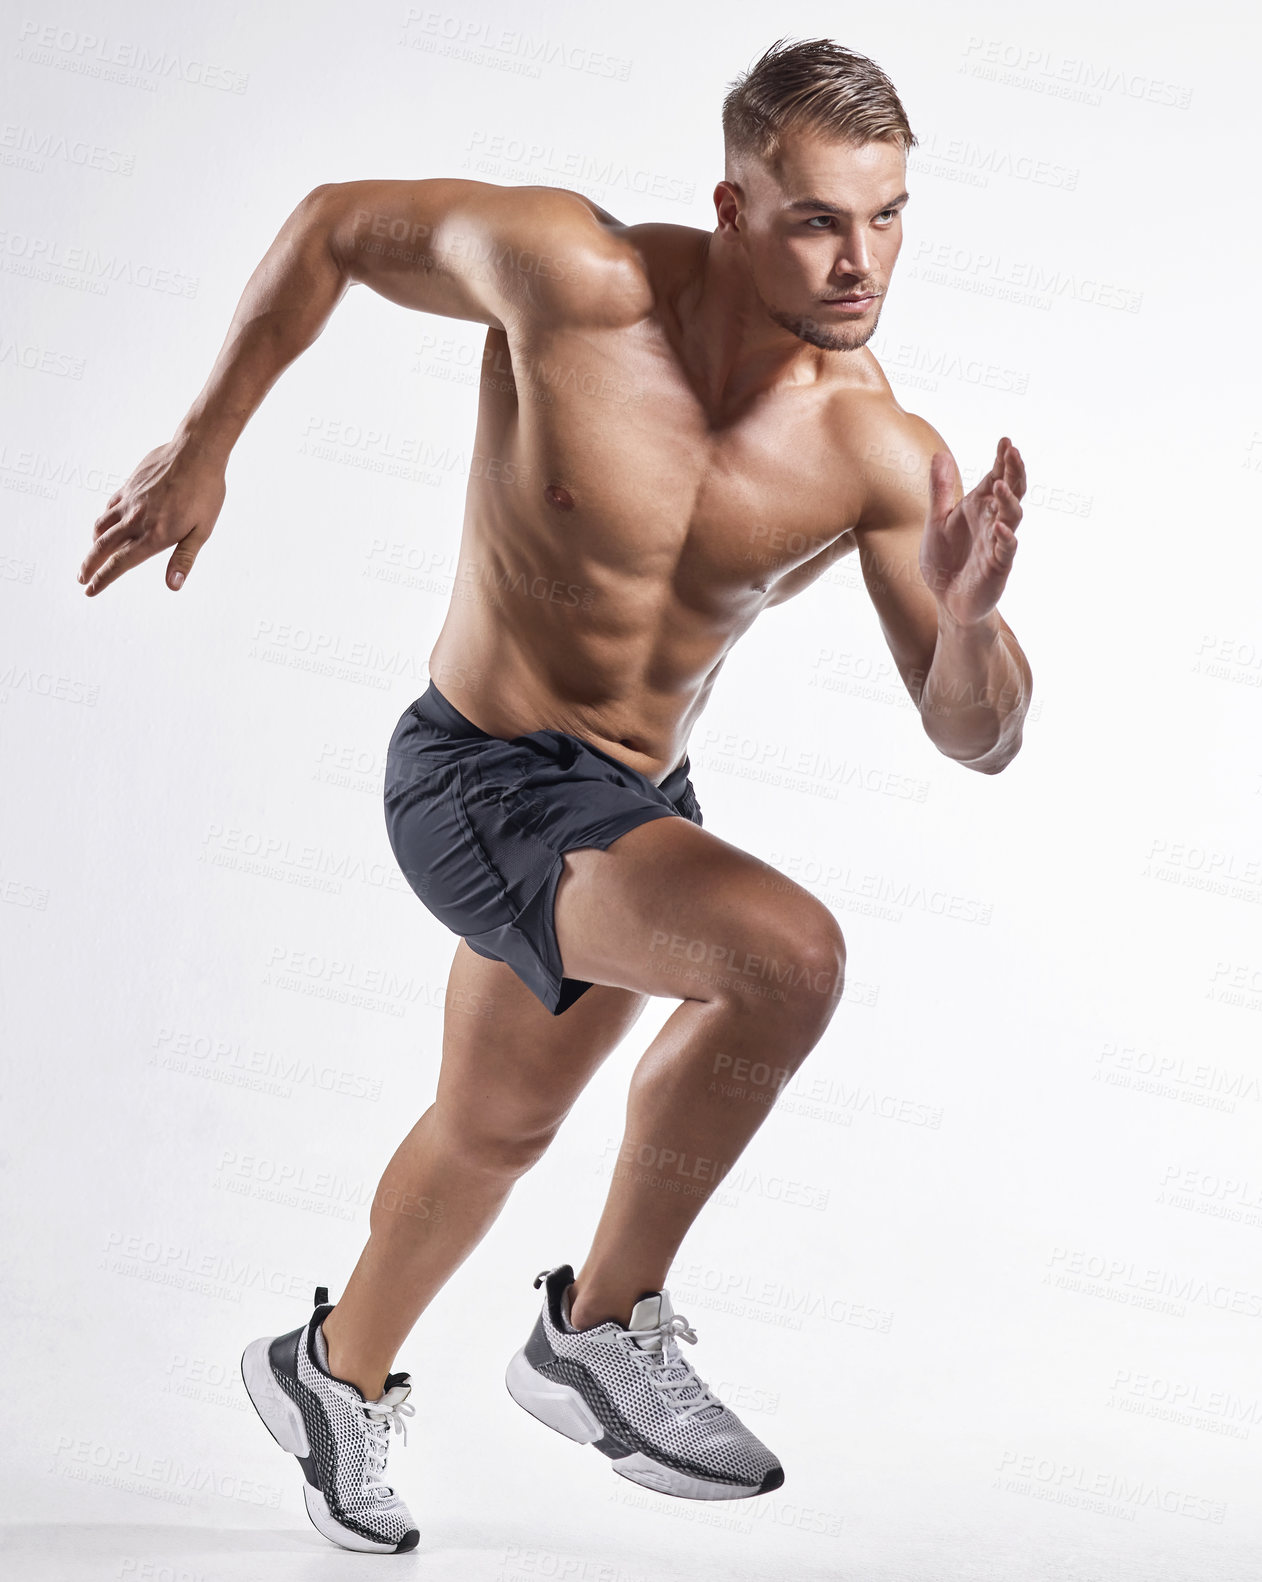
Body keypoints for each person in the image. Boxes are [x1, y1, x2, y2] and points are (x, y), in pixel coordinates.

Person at [78, 36, 1032, 1555]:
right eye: (817, 221)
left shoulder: (870, 447)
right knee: (786, 955)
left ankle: (331, 1374)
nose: (861, 262)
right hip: (472, 775)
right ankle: (597, 1330)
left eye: (888, 217)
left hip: (628, 807)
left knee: (492, 1128)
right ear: (732, 205)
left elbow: (975, 737)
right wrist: (204, 442)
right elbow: (333, 221)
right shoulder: (566, 275)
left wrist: (969, 619)